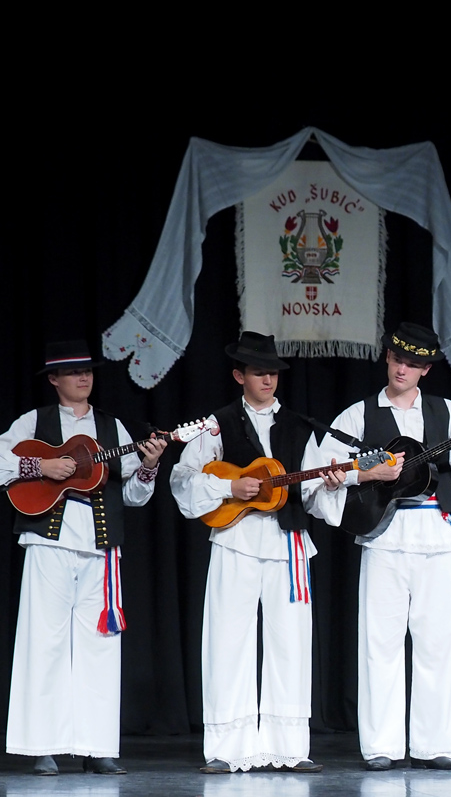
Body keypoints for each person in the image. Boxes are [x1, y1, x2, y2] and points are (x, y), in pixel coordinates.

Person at [304, 321, 451, 771]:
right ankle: (382, 746)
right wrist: (352, 477)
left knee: (438, 642)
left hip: (436, 534)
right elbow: (321, 473)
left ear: (426, 370)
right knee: (381, 642)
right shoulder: (357, 415)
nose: (402, 369)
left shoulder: (447, 411)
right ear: (387, 358)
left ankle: (437, 745)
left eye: (413, 364)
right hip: (384, 538)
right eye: (397, 360)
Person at [0, 340, 167, 775]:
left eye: (88, 371)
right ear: (54, 380)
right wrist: (38, 468)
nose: (84, 378)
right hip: (49, 542)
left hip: (101, 544)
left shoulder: (113, 427)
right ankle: (41, 744)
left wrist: (150, 466)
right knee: (45, 642)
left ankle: (97, 746)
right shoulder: (34, 421)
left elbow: (133, 495)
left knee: (101, 644)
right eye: (74, 372)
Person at [170, 331, 324, 774]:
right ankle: (227, 747)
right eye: (259, 372)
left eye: (273, 373)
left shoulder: (300, 426)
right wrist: (228, 487)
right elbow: (184, 480)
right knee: (227, 639)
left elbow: (314, 493)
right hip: (235, 539)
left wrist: (331, 484)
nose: (268, 380)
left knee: (291, 641)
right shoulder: (216, 425)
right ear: (240, 376)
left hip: (286, 542)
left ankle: (289, 746)